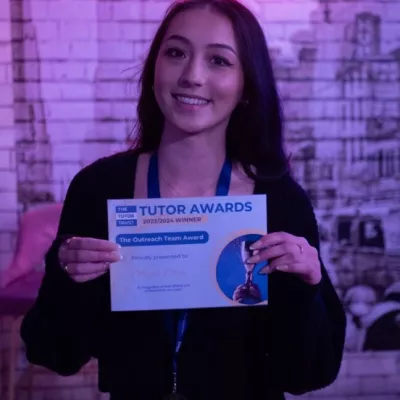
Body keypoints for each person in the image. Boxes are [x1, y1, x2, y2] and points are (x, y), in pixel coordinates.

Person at [20, 1, 346, 399]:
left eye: (219, 61)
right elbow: (54, 353)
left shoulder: (279, 200)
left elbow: (307, 374)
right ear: (154, 68)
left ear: (246, 84)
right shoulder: (99, 188)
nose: (192, 75)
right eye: (176, 53)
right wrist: (68, 279)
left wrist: (306, 286)